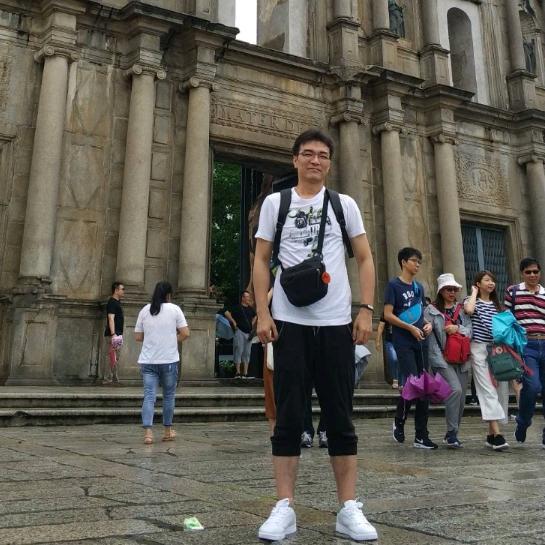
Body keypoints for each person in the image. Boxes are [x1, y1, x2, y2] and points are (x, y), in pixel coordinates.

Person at [253, 129, 377, 542]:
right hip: (289, 323)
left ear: (330, 162)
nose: (315, 161)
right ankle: (284, 506)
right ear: (295, 160)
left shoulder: (344, 205)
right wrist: (262, 312)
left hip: (336, 323)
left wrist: (365, 309)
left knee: (340, 415)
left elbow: (365, 257)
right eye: (308, 154)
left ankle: (348, 507)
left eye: (323, 155)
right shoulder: (276, 203)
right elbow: (261, 259)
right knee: (288, 416)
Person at [384, 247, 436, 449]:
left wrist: (427, 325)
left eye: (419, 262)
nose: (417, 265)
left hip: (421, 340)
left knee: (424, 386)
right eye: (414, 261)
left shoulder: (418, 287)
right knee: (413, 383)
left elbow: (420, 313)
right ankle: (400, 419)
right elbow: (388, 314)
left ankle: (421, 435)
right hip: (403, 341)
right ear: (404, 262)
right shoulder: (393, 285)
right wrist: (409, 328)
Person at [134, 281, 189, 445]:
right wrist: (171, 338)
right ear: (169, 294)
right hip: (169, 360)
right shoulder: (175, 309)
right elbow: (185, 333)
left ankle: (148, 434)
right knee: (169, 396)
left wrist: (153, 337)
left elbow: (138, 336)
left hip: (148, 360)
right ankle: (167, 431)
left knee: (149, 396)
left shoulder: (145, 310)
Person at [463, 271, 509, 450]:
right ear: (478, 283)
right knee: (487, 389)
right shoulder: (471, 300)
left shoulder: (498, 305)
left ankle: (490, 435)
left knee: (498, 389)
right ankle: (497, 434)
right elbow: (469, 310)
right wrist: (474, 293)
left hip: (497, 350)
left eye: (493, 280)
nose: (491, 283)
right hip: (479, 348)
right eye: (487, 280)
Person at [425, 273, 472, 448]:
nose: (452, 292)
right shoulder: (430, 310)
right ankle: (452, 432)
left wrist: (457, 328)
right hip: (441, 358)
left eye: (454, 289)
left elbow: (470, 330)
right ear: (441, 291)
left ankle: (452, 434)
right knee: (455, 390)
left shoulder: (462, 309)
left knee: (461, 398)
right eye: (448, 289)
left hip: (461, 357)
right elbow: (428, 336)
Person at [505, 257, 545, 448]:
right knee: (533, 386)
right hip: (526, 345)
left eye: (535, 271)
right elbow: (507, 319)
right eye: (528, 272)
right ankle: (523, 421)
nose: (532, 275)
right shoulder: (512, 292)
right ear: (522, 273)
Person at [225, 290, 257, 378]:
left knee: (247, 352)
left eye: (249, 297)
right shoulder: (237, 308)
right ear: (243, 298)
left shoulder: (250, 309)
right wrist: (233, 321)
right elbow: (226, 313)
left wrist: (252, 323)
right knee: (238, 350)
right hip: (239, 331)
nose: (248, 298)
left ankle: (245, 372)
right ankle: (238, 372)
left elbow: (255, 316)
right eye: (247, 297)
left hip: (248, 333)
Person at [102, 281, 125, 385]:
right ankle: (108, 379)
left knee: (115, 356)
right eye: (122, 289)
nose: (124, 291)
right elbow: (111, 318)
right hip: (114, 334)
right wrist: (113, 334)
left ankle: (114, 378)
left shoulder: (117, 302)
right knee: (111, 356)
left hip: (118, 334)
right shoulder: (112, 302)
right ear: (116, 290)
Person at [376, 311, 399, 388]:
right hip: (389, 341)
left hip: (401, 340)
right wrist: (377, 340)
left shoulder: (401, 309)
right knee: (393, 359)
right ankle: (395, 379)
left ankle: (401, 380)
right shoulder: (385, 312)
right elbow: (381, 326)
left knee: (401, 359)